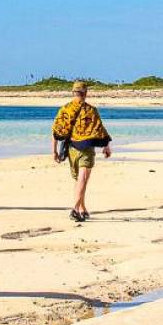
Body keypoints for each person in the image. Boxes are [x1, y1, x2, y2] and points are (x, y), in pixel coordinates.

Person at [51, 80, 112, 222]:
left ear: (73, 93)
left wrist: (54, 151)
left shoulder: (65, 109)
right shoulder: (91, 110)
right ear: (86, 93)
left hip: (71, 148)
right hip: (87, 148)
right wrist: (106, 146)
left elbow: (55, 131)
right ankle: (75, 208)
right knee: (83, 179)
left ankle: (82, 209)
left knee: (79, 180)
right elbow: (99, 129)